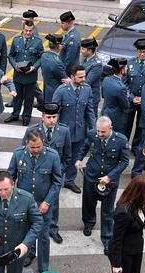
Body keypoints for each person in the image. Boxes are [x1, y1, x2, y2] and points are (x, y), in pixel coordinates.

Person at [9, 128, 62, 272]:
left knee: (43, 235)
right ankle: (29, 254)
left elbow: (57, 182)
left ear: (43, 142)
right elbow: (10, 178)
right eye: (32, 147)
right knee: (26, 231)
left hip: (43, 202)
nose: (36, 149)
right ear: (26, 143)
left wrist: (47, 202)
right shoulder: (18, 154)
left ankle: (43, 266)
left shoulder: (53, 156)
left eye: (38, 146)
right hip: (24, 203)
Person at [75, 116, 129, 254]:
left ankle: (106, 239)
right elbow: (85, 146)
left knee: (107, 210)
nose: (99, 134)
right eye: (98, 131)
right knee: (88, 203)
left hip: (110, 180)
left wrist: (109, 177)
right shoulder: (93, 134)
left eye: (103, 132)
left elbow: (124, 162)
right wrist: (79, 159)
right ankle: (88, 223)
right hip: (91, 175)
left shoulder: (121, 140)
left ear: (110, 128)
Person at [23, 103, 71, 244]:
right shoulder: (32, 131)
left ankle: (53, 229)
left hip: (53, 176)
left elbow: (67, 156)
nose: (52, 120)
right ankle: (31, 237)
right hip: (36, 174)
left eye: (54, 117)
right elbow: (24, 152)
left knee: (53, 204)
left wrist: (58, 171)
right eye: (49, 117)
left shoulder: (64, 131)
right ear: (42, 116)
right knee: (32, 206)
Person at [53, 65, 96, 193]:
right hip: (64, 132)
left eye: (84, 76)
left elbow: (89, 111)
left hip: (79, 132)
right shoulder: (61, 90)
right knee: (60, 157)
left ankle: (69, 181)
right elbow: (54, 112)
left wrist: (93, 130)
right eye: (80, 76)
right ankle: (56, 181)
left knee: (75, 157)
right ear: (72, 77)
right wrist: (55, 130)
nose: (84, 79)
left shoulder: (87, 89)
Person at [5, 21, 44, 126]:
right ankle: (15, 114)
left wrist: (34, 67)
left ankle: (26, 116)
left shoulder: (38, 42)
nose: (28, 33)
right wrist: (14, 65)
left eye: (30, 31)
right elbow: (11, 55)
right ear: (23, 29)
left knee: (29, 98)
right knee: (17, 97)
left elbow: (41, 57)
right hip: (18, 75)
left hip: (30, 75)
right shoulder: (16, 40)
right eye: (26, 30)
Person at [124, 38, 145, 154]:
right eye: (140, 52)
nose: (142, 54)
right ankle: (124, 145)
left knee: (140, 125)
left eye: (144, 52)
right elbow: (124, 84)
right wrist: (132, 98)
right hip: (131, 100)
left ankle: (136, 147)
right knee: (126, 124)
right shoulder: (130, 63)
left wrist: (144, 99)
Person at [101, 58, 133, 135]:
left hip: (105, 113)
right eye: (125, 67)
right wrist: (129, 96)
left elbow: (103, 95)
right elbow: (126, 106)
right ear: (122, 70)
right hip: (116, 119)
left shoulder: (106, 79)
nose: (127, 69)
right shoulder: (121, 87)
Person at [40, 34, 67, 102]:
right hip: (56, 94)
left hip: (47, 92)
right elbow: (64, 79)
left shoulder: (44, 56)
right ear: (58, 46)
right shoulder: (57, 63)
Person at [80, 37, 102, 116]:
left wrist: (72, 81)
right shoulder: (85, 58)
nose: (81, 51)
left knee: (91, 119)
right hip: (83, 94)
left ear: (89, 51)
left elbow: (87, 81)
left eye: (83, 49)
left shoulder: (97, 64)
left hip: (91, 97)